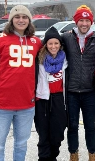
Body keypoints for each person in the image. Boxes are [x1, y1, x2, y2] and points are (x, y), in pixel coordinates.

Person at [61, 5, 95, 161]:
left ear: (92, 21)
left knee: (90, 126)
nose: (84, 24)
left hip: (90, 92)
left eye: (87, 20)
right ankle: (73, 154)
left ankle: (93, 155)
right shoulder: (66, 37)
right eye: (81, 20)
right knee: (73, 126)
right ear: (75, 21)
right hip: (71, 91)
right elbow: (47, 42)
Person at [0, 5, 42, 160]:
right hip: (2, 103)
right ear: (11, 20)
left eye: (24, 17)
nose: (21, 20)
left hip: (26, 103)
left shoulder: (36, 42)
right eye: (17, 17)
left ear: (29, 20)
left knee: (21, 144)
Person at [34, 27, 68, 161]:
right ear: (46, 45)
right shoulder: (39, 60)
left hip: (59, 99)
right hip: (42, 99)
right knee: (43, 134)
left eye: (56, 43)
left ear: (60, 45)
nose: (53, 46)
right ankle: (43, 158)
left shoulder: (65, 61)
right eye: (50, 43)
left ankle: (52, 156)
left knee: (58, 133)